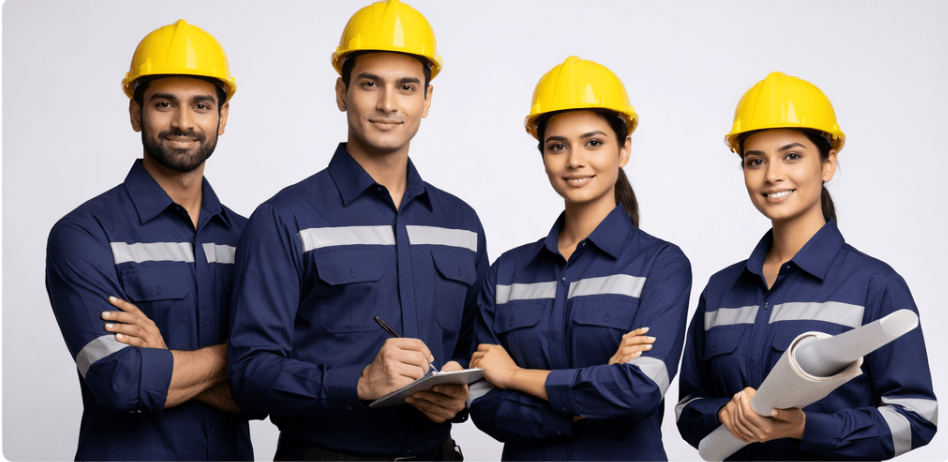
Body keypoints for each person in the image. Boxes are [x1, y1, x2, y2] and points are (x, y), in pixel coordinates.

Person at [226, 0, 488, 460]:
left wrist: (460, 391)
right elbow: (249, 374)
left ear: (427, 100)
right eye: (370, 84)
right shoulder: (285, 218)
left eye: (406, 87)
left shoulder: (461, 224)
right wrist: (359, 383)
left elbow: (480, 353)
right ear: (342, 92)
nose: (388, 103)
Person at [676, 72, 938, 460]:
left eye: (792, 156)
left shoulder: (875, 285)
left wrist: (805, 428)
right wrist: (722, 412)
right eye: (755, 161)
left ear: (828, 163)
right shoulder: (720, 290)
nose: (772, 175)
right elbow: (687, 408)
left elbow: (915, 420)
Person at [45, 20, 252, 460]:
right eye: (164, 103)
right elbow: (120, 381)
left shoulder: (249, 237)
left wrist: (164, 358)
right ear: (136, 113)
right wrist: (238, 357)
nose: (183, 122)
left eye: (201, 105)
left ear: (222, 117)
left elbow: (267, 394)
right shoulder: (84, 235)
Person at [468, 56, 693, 461]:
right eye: (558, 146)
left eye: (593, 143)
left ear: (624, 149)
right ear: (543, 154)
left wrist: (515, 376)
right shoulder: (506, 273)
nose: (574, 160)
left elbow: (638, 390)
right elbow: (483, 402)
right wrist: (592, 393)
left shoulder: (661, 265)